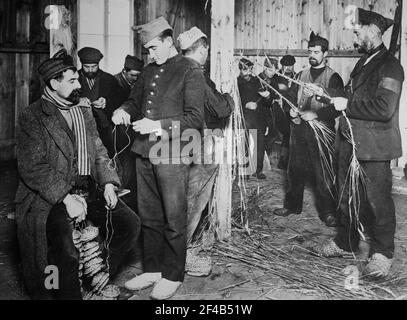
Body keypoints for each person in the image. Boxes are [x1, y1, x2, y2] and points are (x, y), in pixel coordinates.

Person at [15, 52, 140, 300]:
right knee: (67, 252)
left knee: (129, 225)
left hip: (87, 189)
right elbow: (33, 168)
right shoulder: (32, 117)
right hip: (50, 197)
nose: (79, 84)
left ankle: (97, 277)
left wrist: (107, 183)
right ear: (54, 83)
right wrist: (66, 198)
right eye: (72, 80)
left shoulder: (82, 110)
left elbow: (99, 151)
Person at [112, 17, 206, 299]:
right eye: (147, 50)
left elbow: (195, 119)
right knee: (149, 216)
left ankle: (173, 274)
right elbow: (134, 100)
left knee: (173, 217)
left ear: (168, 41)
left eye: (154, 48)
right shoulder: (149, 71)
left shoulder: (190, 70)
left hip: (172, 153)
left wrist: (158, 126)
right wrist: (124, 110)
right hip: (143, 151)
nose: (150, 55)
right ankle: (152, 269)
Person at [320, 8, 404, 279]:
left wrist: (348, 103)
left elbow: (383, 108)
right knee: (345, 196)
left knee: (377, 201)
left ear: (372, 32)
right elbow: (347, 95)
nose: (354, 35)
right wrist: (325, 94)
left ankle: (382, 253)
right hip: (350, 142)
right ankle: (347, 242)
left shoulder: (390, 66)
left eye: (357, 31)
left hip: (374, 147)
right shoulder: (364, 63)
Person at [178, 26, 234, 276]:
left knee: (180, 196)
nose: (207, 54)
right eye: (206, 50)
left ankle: (177, 248)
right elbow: (220, 109)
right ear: (201, 49)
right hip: (202, 142)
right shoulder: (196, 74)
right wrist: (229, 98)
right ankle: (182, 254)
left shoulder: (171, 71)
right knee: (196, 197)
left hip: (176, 143)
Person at [273, 32, 344, 228]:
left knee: (323, 172)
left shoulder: (333, 78)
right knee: (294, 169)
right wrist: (292, 113)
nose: (312, 54)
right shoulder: (300, 75)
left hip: (321, 132)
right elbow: (289, 99)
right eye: (310, 51)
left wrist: (317, 115)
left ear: (325, 54)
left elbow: (337, 108)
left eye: (316, 51)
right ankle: (292, 205)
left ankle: (328, 212)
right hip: (299, 131)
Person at [77, 47, 123, 158]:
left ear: (98, 64)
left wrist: (106, 102)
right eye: (86, 67)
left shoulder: (109, 79)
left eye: (94, 67)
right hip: (80, 126)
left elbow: (121, 99)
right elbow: (63, 99)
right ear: (81, 65)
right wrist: (77, 101)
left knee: (105, 157)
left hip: (104, 128)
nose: (90, 70)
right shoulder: (73, 78)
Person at [238, 58, 271, 179]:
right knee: (243, 144)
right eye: (241, 69)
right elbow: (232, 101)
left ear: (251, 69)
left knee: (260, 144)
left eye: (246, 69)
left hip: (259, 118)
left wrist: (267, 98)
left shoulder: (259, 82)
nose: (243, 72)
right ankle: (244, 171)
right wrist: (245, 104)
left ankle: (258, 170)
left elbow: (267, 104)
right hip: (244, 117)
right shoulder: (236, 83)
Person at [273, 54, 297, 170]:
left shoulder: (298, 77)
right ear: (282, 66)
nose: (288, 68)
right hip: (277, 111)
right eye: (286, 66)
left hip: (292, 111)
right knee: (286, 131)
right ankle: (283, 159)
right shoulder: (276, 77)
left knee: (290, 132)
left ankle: (284, 160)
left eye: (290, 66)